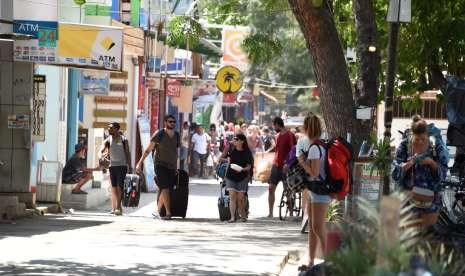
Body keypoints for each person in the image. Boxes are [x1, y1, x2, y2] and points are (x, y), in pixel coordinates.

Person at [392, 115, 449, 227]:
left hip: (431, 201)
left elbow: (443, 174)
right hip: (408, 201)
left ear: (427, 135)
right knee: (410, 237)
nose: (420, 142)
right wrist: (410, 163)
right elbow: (395, 173)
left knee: (428, 236)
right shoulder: (404, 145)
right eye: (417, 139)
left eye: (423, 138)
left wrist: (431, 163)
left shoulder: (435, 145)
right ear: (412, 136)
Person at [297, 114, 329, 267]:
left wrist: (302, 162)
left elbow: (314, 173)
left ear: (307, 129)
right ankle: (311, 261)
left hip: (319, 191)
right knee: (312, 227)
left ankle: (329, 261)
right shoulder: (318, 145)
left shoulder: (315, 148)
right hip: (314, 190)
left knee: (317, 226)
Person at [136, 115, 179, 220]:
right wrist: (140, 162)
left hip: (171, 166)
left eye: (174, 122)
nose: (172, 123)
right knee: (165, 188)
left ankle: (157, 211)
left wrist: (177, 167)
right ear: (165, 122)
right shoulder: (160, 134)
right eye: (170, 121)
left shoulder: (176, 135)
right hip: (160, 165)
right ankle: (168, 213)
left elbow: (176, 152)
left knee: (165, 188)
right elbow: (149, 149)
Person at [221, 133, 254, 223]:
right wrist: (227, 160)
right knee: (232, 196)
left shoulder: (247, 152)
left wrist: (242, 169)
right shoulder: (231, 148)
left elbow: (249, 166)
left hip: (242, 176)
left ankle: (242, 214)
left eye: (236, 139)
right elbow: (221, 158)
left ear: (242, 141)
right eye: (234, 139)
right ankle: (232, 217)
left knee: (240, 198)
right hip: (230, 175)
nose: (234, 141)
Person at [267, 117, 296, 218]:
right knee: (271, 188)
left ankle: (291, 212)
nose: (273, 127)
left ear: (277, 124)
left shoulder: (289, 135)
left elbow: (293, 150)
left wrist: (288, 163)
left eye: (274, 125)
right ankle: (270, 212)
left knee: (288, 190)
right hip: (276, 165)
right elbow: (277, 149)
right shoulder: (277, 135)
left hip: (286, 166)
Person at [101, 122, 132, 216]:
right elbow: (102, 149)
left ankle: (118, 207)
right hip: (112, 166)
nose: (109, 129)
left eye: (111, 128)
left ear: (117, 129)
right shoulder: (108, 140)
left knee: (120, 186)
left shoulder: (124, 140)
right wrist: (101, 155)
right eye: (108, 128)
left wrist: (129, 166)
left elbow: (127, 153)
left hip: (122, 166)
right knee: (114, 188)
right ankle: (117, 207)